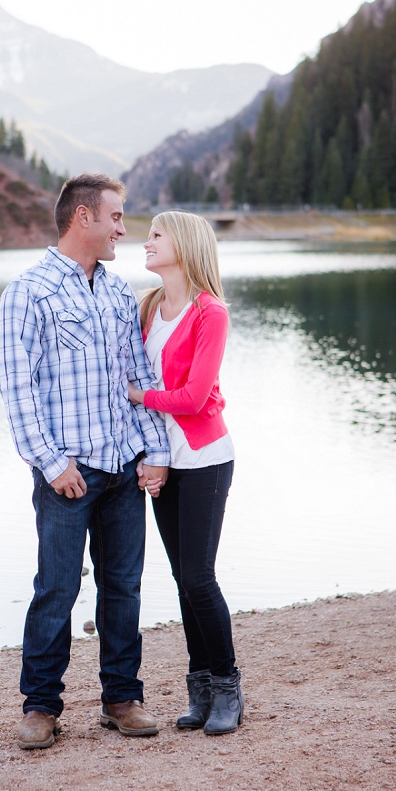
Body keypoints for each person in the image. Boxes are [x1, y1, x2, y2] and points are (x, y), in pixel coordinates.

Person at [0, 173, 171, 750]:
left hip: (123, 468)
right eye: (117, 217)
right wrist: (50, 463)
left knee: (123, 588)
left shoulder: (120, 294)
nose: (124, 228)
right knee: (57, 588)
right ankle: (41, 706)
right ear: (84, 219)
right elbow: (16, 388)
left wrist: (155, 451)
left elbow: (138, 379)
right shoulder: (29, 291)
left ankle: (122, 699)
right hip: (67, 474)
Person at [126, 210, 243, 735]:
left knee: (199, 576)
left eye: (155, 235)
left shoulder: (210, 312)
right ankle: (198, 689)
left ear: (185, 244)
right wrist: (150, 456)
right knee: (181, 578)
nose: (144, 242)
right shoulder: (150, 306)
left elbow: (195, 398)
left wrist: (139, 395)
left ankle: (228, 688)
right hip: (163, 459)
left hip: (205, 459)